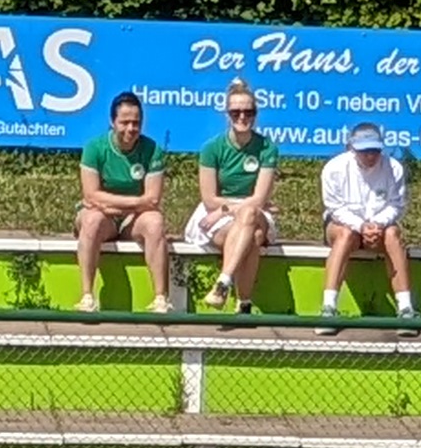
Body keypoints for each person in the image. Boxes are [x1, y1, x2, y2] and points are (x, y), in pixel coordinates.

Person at [75, 91, 178, 313]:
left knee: (155, 222)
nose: (131, 129)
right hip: (103, 217)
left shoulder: (152, 150)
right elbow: (91, 195)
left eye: (136, 123)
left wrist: (112, 204)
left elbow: (153, 199)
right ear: (112, 122)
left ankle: (161, 298)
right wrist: (135, 202)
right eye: (125, 122)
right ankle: (87, 296)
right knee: (91, 220)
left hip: (133, 219)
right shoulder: (94, 148)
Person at [184, 78, 280, 313]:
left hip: (248, 211)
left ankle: (223, 283)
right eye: (236, 112)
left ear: (256, 114)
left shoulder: (267, 148)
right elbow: (209, 198)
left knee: (250, 213)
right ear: (227, 114)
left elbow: (259, 198)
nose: (242, 117)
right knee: (253, 237)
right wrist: (224, 210)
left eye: (249, 112)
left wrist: (225, 209)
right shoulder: (212, 148)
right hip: (218, 213)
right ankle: (244, 302)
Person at [317, 121, 418, 320]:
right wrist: (361, 226)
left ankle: (406, 308)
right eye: (364, 151)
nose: (371, 156)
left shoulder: (394, 168)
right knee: (345, 235)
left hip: (380, 228)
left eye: (375, 150)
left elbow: (396, 204)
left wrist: (377, 224)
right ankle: (329, 307)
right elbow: (335, 208)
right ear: (352, 148)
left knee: (393, 234)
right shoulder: (333, 169)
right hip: (343, 225)